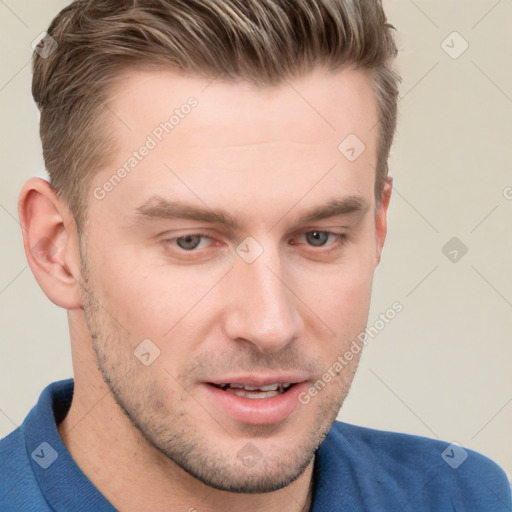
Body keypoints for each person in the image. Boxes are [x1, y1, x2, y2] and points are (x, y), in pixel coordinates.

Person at [0, 1, 510, 511]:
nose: (270, 325)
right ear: (56, 248)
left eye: (318, 237)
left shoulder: (464, 497)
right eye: (191, 241)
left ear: (377, 227)